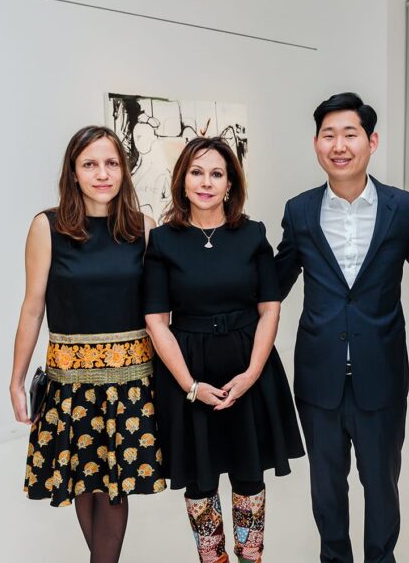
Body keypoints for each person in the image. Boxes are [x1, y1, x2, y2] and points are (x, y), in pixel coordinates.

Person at [275, 92, 409, 563]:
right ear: (317, 144)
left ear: (372, 141)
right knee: (326, 491)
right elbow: (273, 284)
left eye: (350, 134)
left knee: (382, 488)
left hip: (380, 374)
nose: (339, 145)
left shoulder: (401, 209)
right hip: (318, 377)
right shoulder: (300, 210)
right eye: (328, 135)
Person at [144, 136, 304, 563]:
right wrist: (190, 385)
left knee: (249, 477)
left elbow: (270, 309)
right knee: (200, 482)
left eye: (217, 173)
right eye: (197, 172)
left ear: (231, 184)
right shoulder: (162, 241)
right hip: (187, 371)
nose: (206, 182)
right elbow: (157, 322)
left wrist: (251, 374)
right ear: (182, 180)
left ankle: (251, 557)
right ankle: (211, 558)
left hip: (248, 366)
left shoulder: (252, 235)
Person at [10, 125, 165, 563]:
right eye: (90, 164)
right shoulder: (48, 226)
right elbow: (32, 308)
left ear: (124, 170)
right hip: (70, 382)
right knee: (85, 481)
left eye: (111, 163)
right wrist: (16, 380)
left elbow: (160, 314)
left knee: (113, 487)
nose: (102, 173)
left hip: (131, 382)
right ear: (73, 172)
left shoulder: (144, 229)